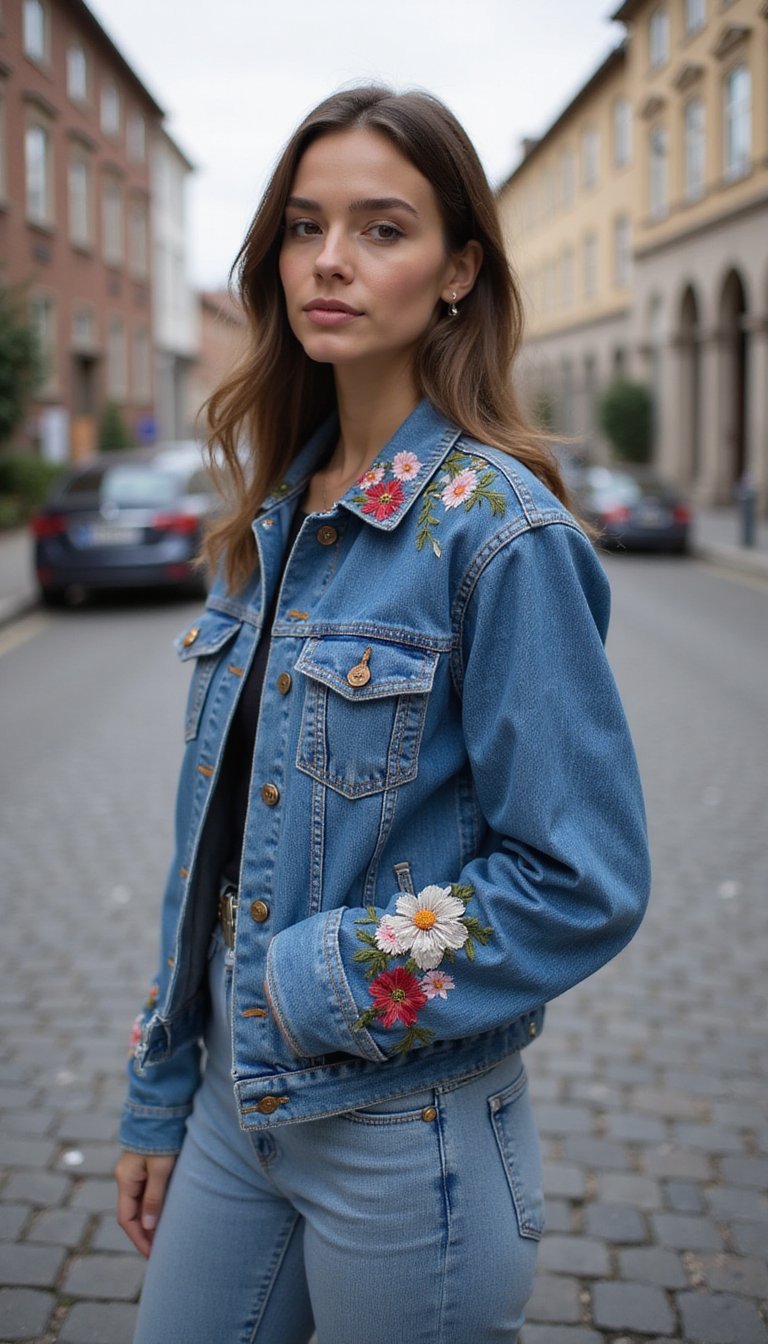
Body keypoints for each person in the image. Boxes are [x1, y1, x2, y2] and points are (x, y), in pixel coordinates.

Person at [115, 86, 650, 1344]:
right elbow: (212, 850)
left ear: (460, 268)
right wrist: (159, 1088)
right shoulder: (266, 523)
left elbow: (582, 878)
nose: (331, 262)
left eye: (382, 228)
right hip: (233, 1112)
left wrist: (315, 981)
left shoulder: (498, 534)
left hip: (409, 1138)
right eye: (304, 227)